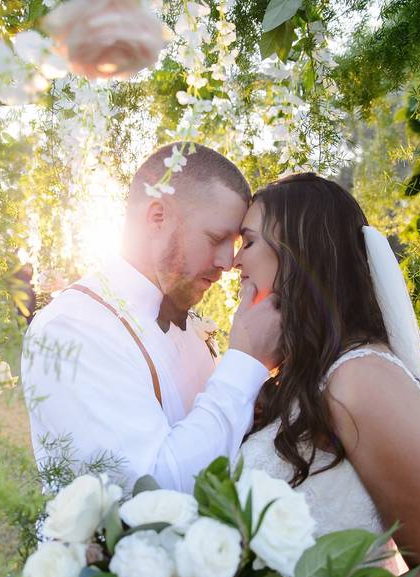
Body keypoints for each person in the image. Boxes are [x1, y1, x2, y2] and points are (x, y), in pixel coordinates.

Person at [235, 173, 420, 577]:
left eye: (249, 241)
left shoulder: (364, 380)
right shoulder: (303, 375)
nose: (235, 261)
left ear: (298, 253)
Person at [21, 142, 282, 492]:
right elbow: (151, 490)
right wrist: (245, 363)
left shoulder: (190, 324)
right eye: (217, 238)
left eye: (235, 244)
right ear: (157, 218)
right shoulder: (72, 329)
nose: (228, 262)